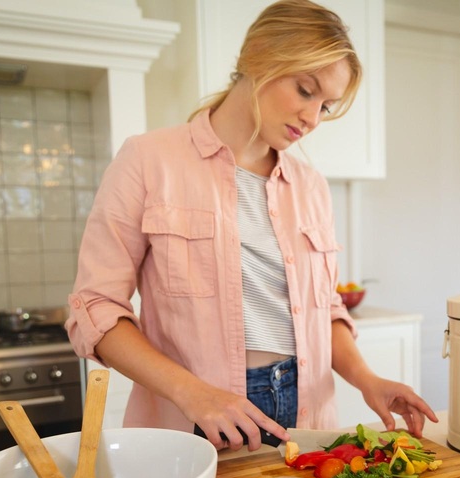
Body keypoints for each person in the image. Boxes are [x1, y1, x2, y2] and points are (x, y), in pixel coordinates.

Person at [66, 0, 437, 452]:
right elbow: (96, 310)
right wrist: (193, 393)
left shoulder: (310, 185)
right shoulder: (148, 160)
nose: (313, 118)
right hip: (198, 416)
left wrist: (368, 379)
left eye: (326, 105)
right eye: (305, 90)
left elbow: (327, 312)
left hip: (307, 414)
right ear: (258, 55)